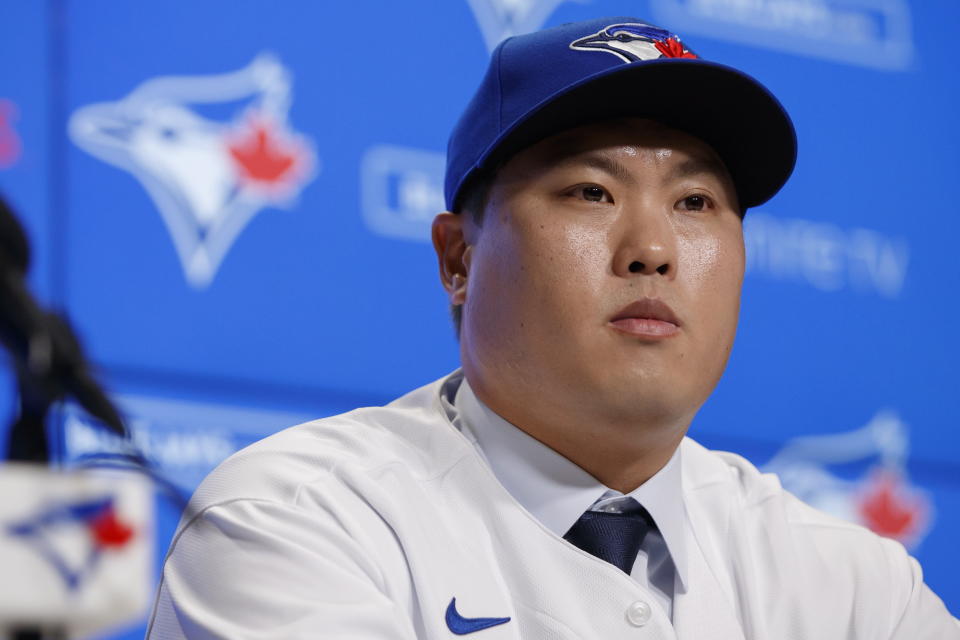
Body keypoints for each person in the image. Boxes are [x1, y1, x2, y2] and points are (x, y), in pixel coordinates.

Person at [147, 16, 958, 639]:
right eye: (591, 193)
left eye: (695, 204)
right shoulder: (300, 520)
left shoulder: (853, 587)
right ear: (458, 259)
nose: (652, 251)